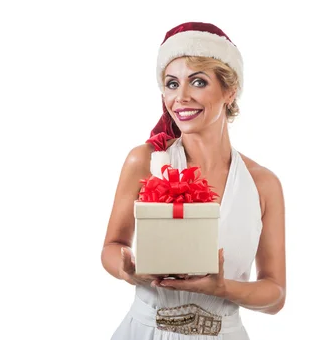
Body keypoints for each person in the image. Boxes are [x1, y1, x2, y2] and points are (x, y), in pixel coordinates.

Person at [101, 22, 286, 339]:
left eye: (198, 82)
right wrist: (129, 270)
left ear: (229, 91)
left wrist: (223, 287)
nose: (181, 97)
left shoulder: (263, 184)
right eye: (172, 84)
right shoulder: (144, 161)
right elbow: (111, 247)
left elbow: (275, 295)